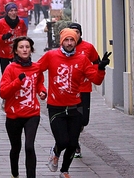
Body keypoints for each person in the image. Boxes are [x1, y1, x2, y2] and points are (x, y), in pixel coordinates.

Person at [37, 28, 111, 178]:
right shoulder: (51, 56)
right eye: (66, 40)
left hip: (75, 106)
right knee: (63, 140)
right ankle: (56, 151)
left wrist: (101, 68)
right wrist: (41, 88)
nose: (69, 43)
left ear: (76, 42)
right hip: (55, 107)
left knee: (73, 142)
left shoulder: (82, 59)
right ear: (61, 41)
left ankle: (64, 171)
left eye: (72, 40)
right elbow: (36, 70)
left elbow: (96, 79)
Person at [0, 36, 47, 178]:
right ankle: (15, 173)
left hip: (32, 113)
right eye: (21, 47)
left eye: (27, 47)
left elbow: (39, 83)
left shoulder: (36, 67)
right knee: (16, 148)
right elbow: (3, 92)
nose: (24, 49)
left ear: (31, 50)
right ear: (15, 50)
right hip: (14, 115)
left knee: (29, 147)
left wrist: (42, 91)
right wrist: (17, 82)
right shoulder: (10, 68)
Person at [69, 23, 101, 158]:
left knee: (84, 120)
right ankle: (75, 145)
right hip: (70, 89)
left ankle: (78, 130)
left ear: (80, 33)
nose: (75, 34)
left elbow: (97, 61)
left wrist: (92, 73)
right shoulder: (66, 47)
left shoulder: (88, 47)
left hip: (85, 88)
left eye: (77, 32)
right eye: (72, 32)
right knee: (73, 118)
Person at [0, 2, 28, 110]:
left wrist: (23, 41)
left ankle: (18, 96)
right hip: (4, 54)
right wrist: (3, 37)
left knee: (18, 74)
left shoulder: (20, 22)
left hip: (17, 53)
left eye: (15, 10)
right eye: (11, 11)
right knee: (6, 76)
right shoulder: (1, 23)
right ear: (7, 12)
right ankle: (6, 97)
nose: (13, 13)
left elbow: (24, 33)